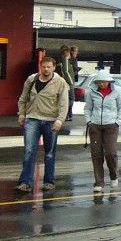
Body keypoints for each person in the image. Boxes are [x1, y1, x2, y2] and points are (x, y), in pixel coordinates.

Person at [16, 55, 69, 194]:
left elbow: (64, 103)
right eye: (43, 67)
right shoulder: (32, 79)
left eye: (48, 67)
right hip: (32, 119)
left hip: (51, 120)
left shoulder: (60, 82)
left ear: (54, 67)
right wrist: (22, 114)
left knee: (50, 153)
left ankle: (49, 181)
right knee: (29, 150)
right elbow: (23, 98)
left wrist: (59, 120)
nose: (46, 69)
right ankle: (25, 183)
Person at [83, 69, 121, 195]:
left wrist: (118, 121)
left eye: (105, 82)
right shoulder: (92, 91)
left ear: (109, 81)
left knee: (110, 152)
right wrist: (89, 121)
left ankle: (113, 176)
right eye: (100, 82)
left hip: (111, 125)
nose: (102, 84)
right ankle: (99, 182)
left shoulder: (117, 90)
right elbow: (88, 107)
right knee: (96, 154)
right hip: (95, 125)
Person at [58, 45, 76, 122]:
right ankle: (65, 114)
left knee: (67, 99)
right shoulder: (65, 61)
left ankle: (66, 114)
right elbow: (65, 71)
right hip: (68, 83)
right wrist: (71, 82)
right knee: (71, 99)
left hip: (66, 82)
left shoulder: (62, 61)